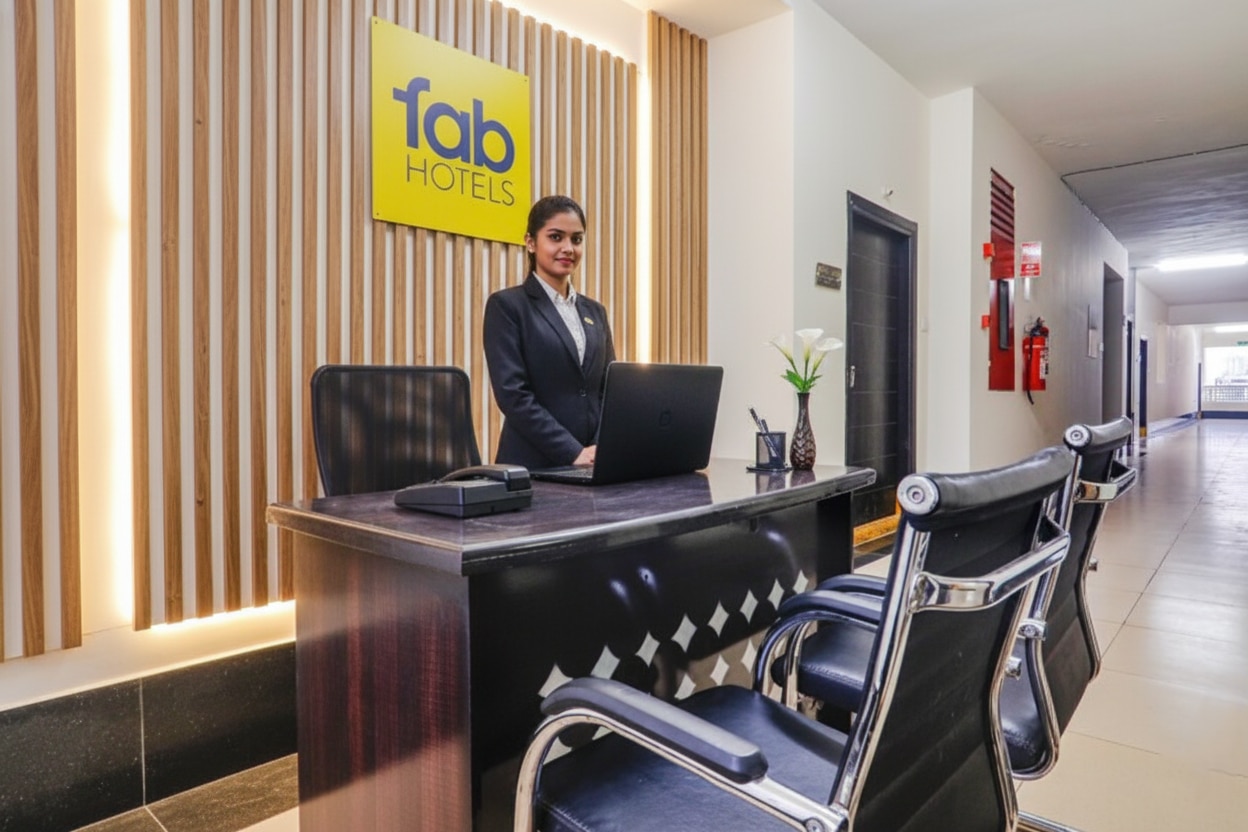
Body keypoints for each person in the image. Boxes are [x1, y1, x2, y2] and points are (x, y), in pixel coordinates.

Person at [483, 195, 616, 469]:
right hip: (532, 467)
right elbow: (513, 395)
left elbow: (610, 389)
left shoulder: (596, 312)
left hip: (592, 464)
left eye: (576, 239)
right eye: (556, 237)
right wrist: (572, 452)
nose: (568, 248)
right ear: (530, 242)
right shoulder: (507, 306)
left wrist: (599, 449)